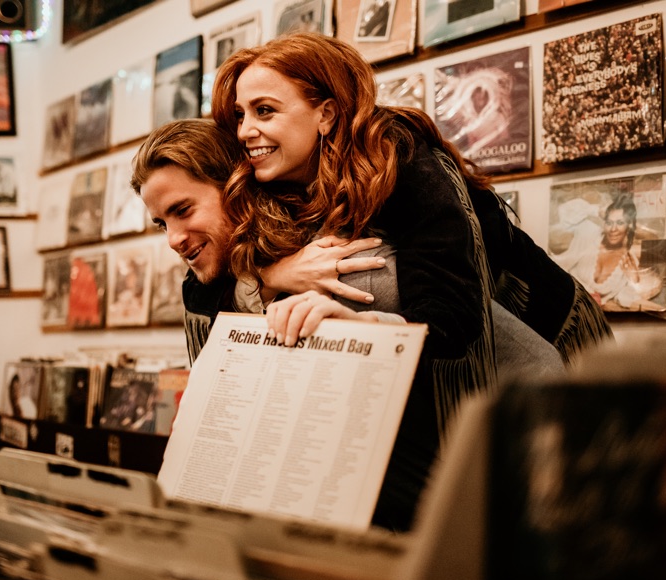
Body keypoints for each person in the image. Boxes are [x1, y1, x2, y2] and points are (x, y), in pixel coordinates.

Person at [132, 119, 565, 531]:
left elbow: (445, 329)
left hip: (524, 444)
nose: (173, 238)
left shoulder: (342, 250)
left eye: (183, 210)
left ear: (233, 185)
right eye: (161, 223)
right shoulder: (252, 262)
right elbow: (201, 296)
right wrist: (267, 278)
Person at [210, 32, 611, 364]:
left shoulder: (399, 159)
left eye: (265, 111)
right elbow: (202, 287)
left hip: (550, 345)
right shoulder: (263, 182)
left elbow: (449, 313)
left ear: (326, 115)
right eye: (240, 115)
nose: (245, 130)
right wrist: (270, 277)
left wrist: (358, 325)